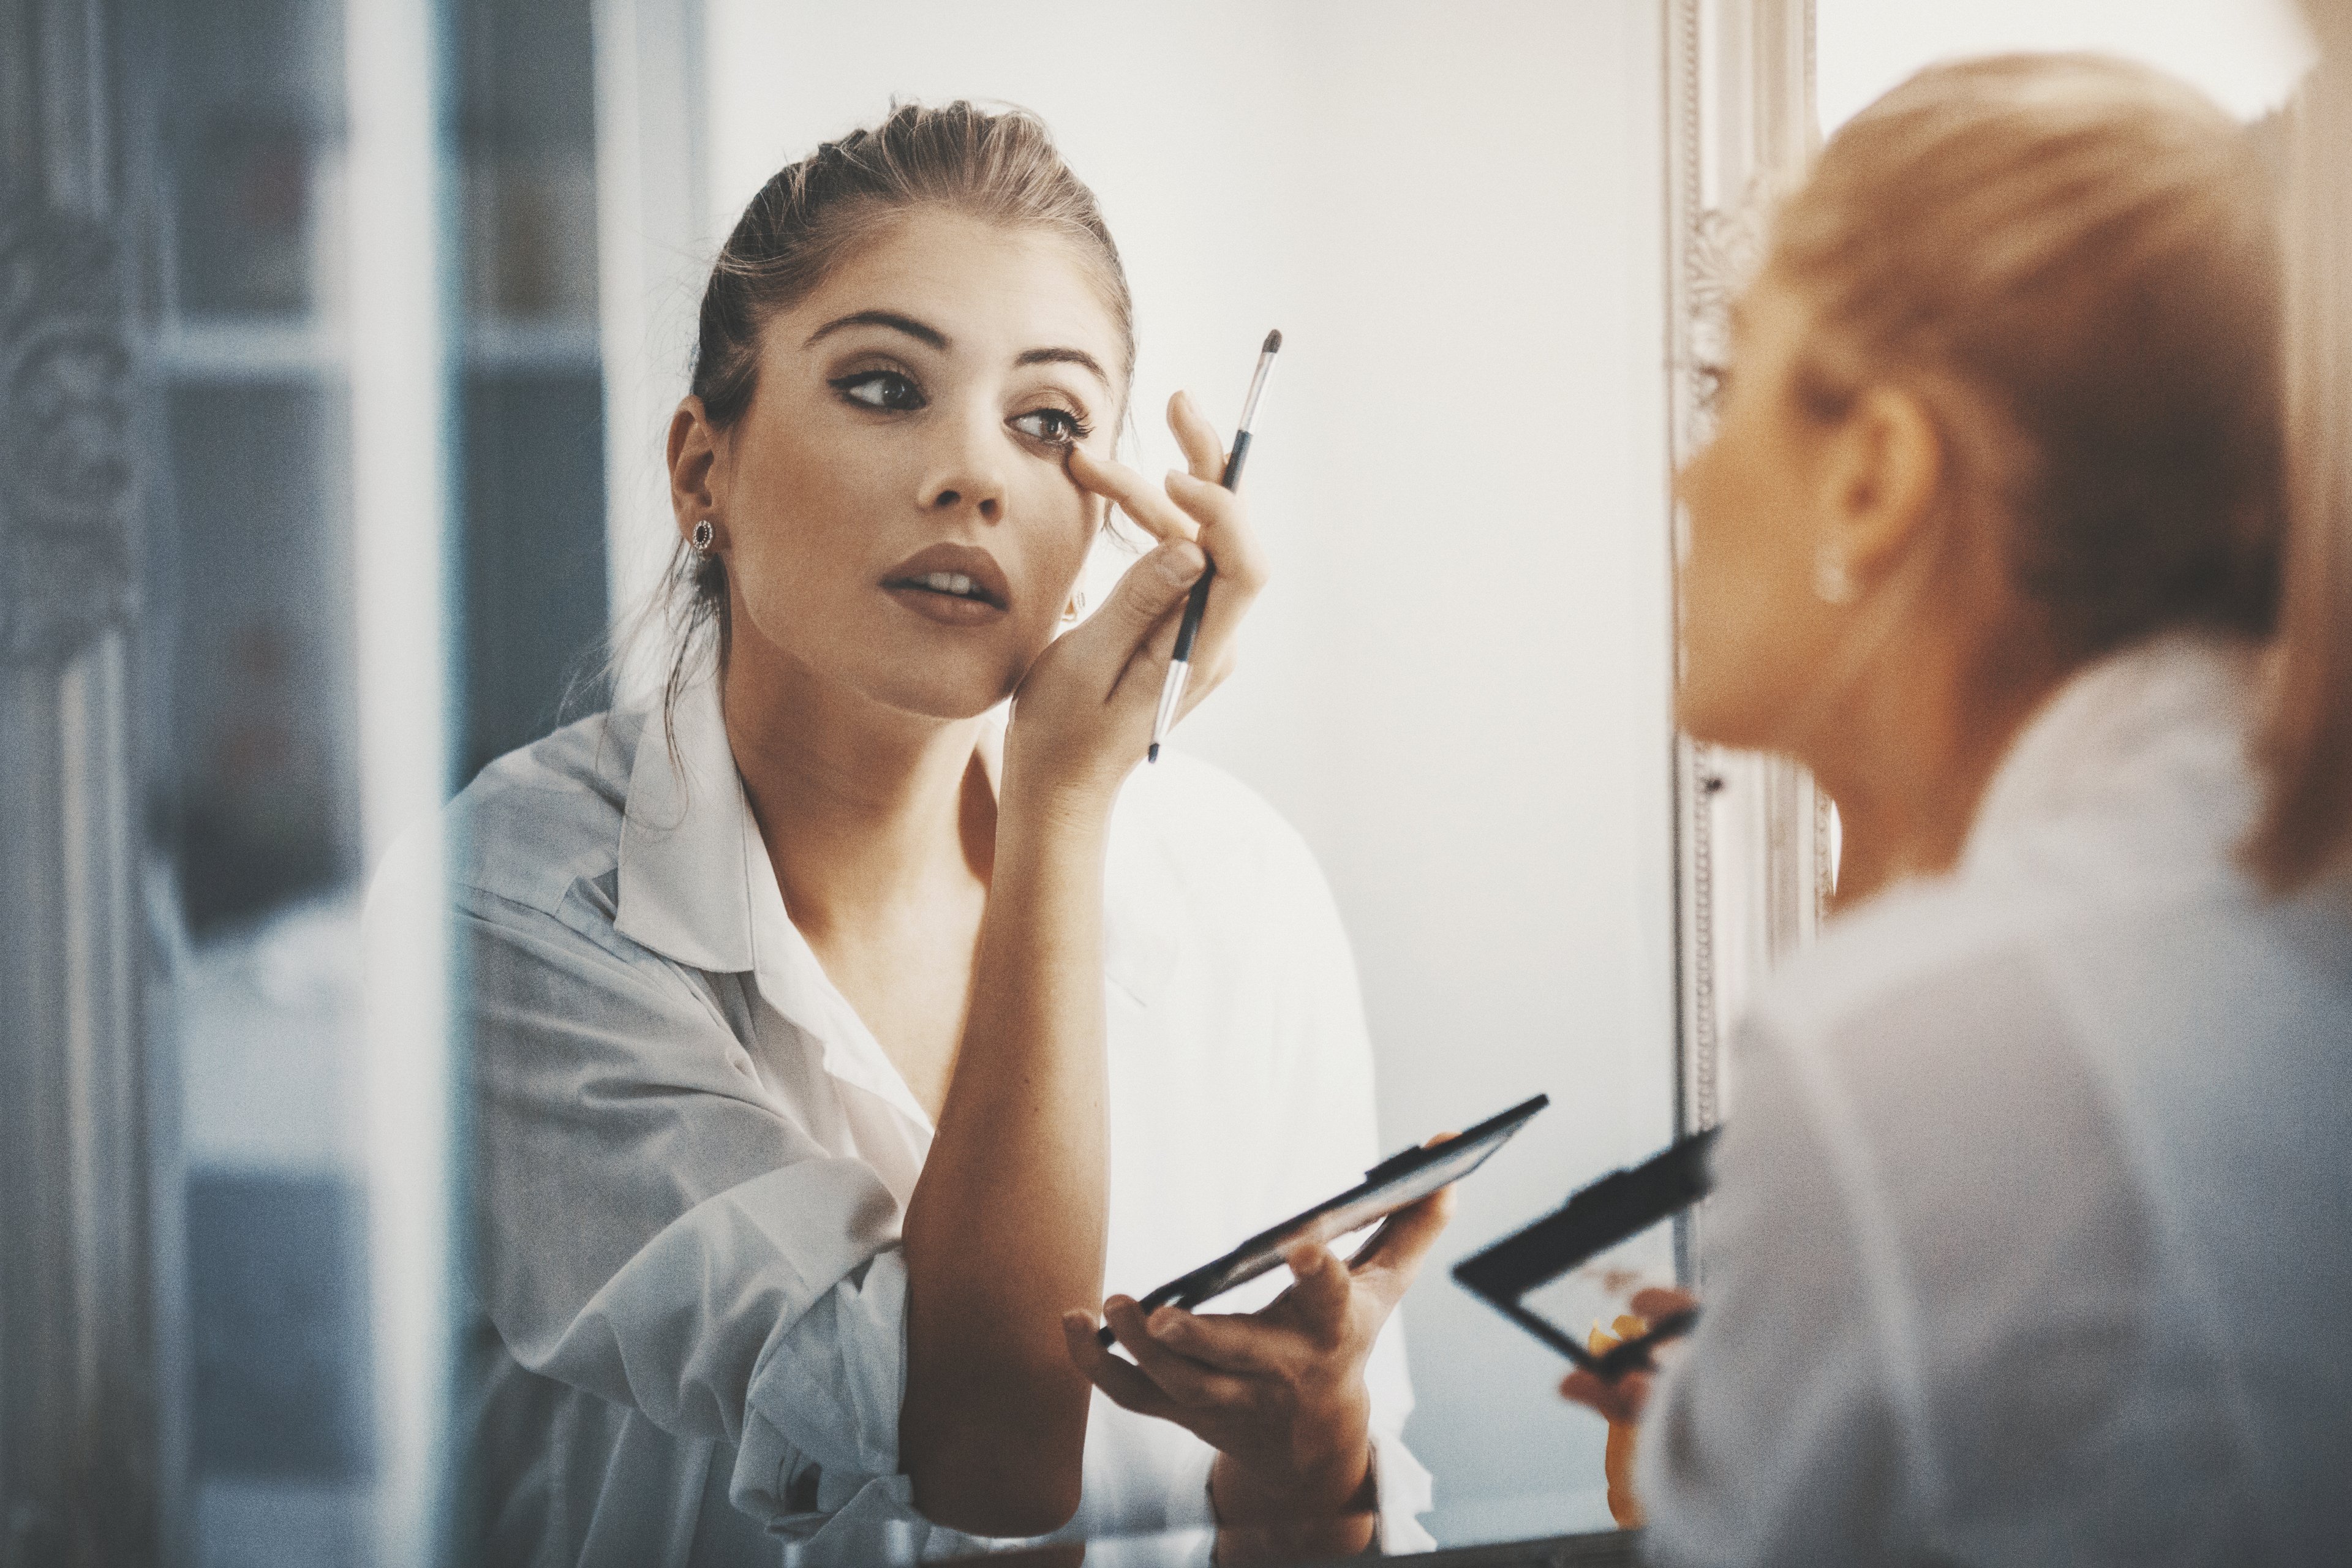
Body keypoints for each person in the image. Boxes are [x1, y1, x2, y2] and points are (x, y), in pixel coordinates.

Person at [439, 103, 1444, 1566]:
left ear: (1106, 510)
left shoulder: (1242, 891)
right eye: (884, 384)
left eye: (1048, 422)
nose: (973, 473)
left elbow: (1352, 1522)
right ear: (700, 469)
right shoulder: (517, 904)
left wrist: (1314, 1471)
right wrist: (1060, 810)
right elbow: (981, 1450)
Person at [1562, 48, 2352, 1564]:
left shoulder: (1916, 1043)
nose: (1684, 479)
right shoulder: (2261, 879)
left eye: (1729, 384)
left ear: (1873, 474)